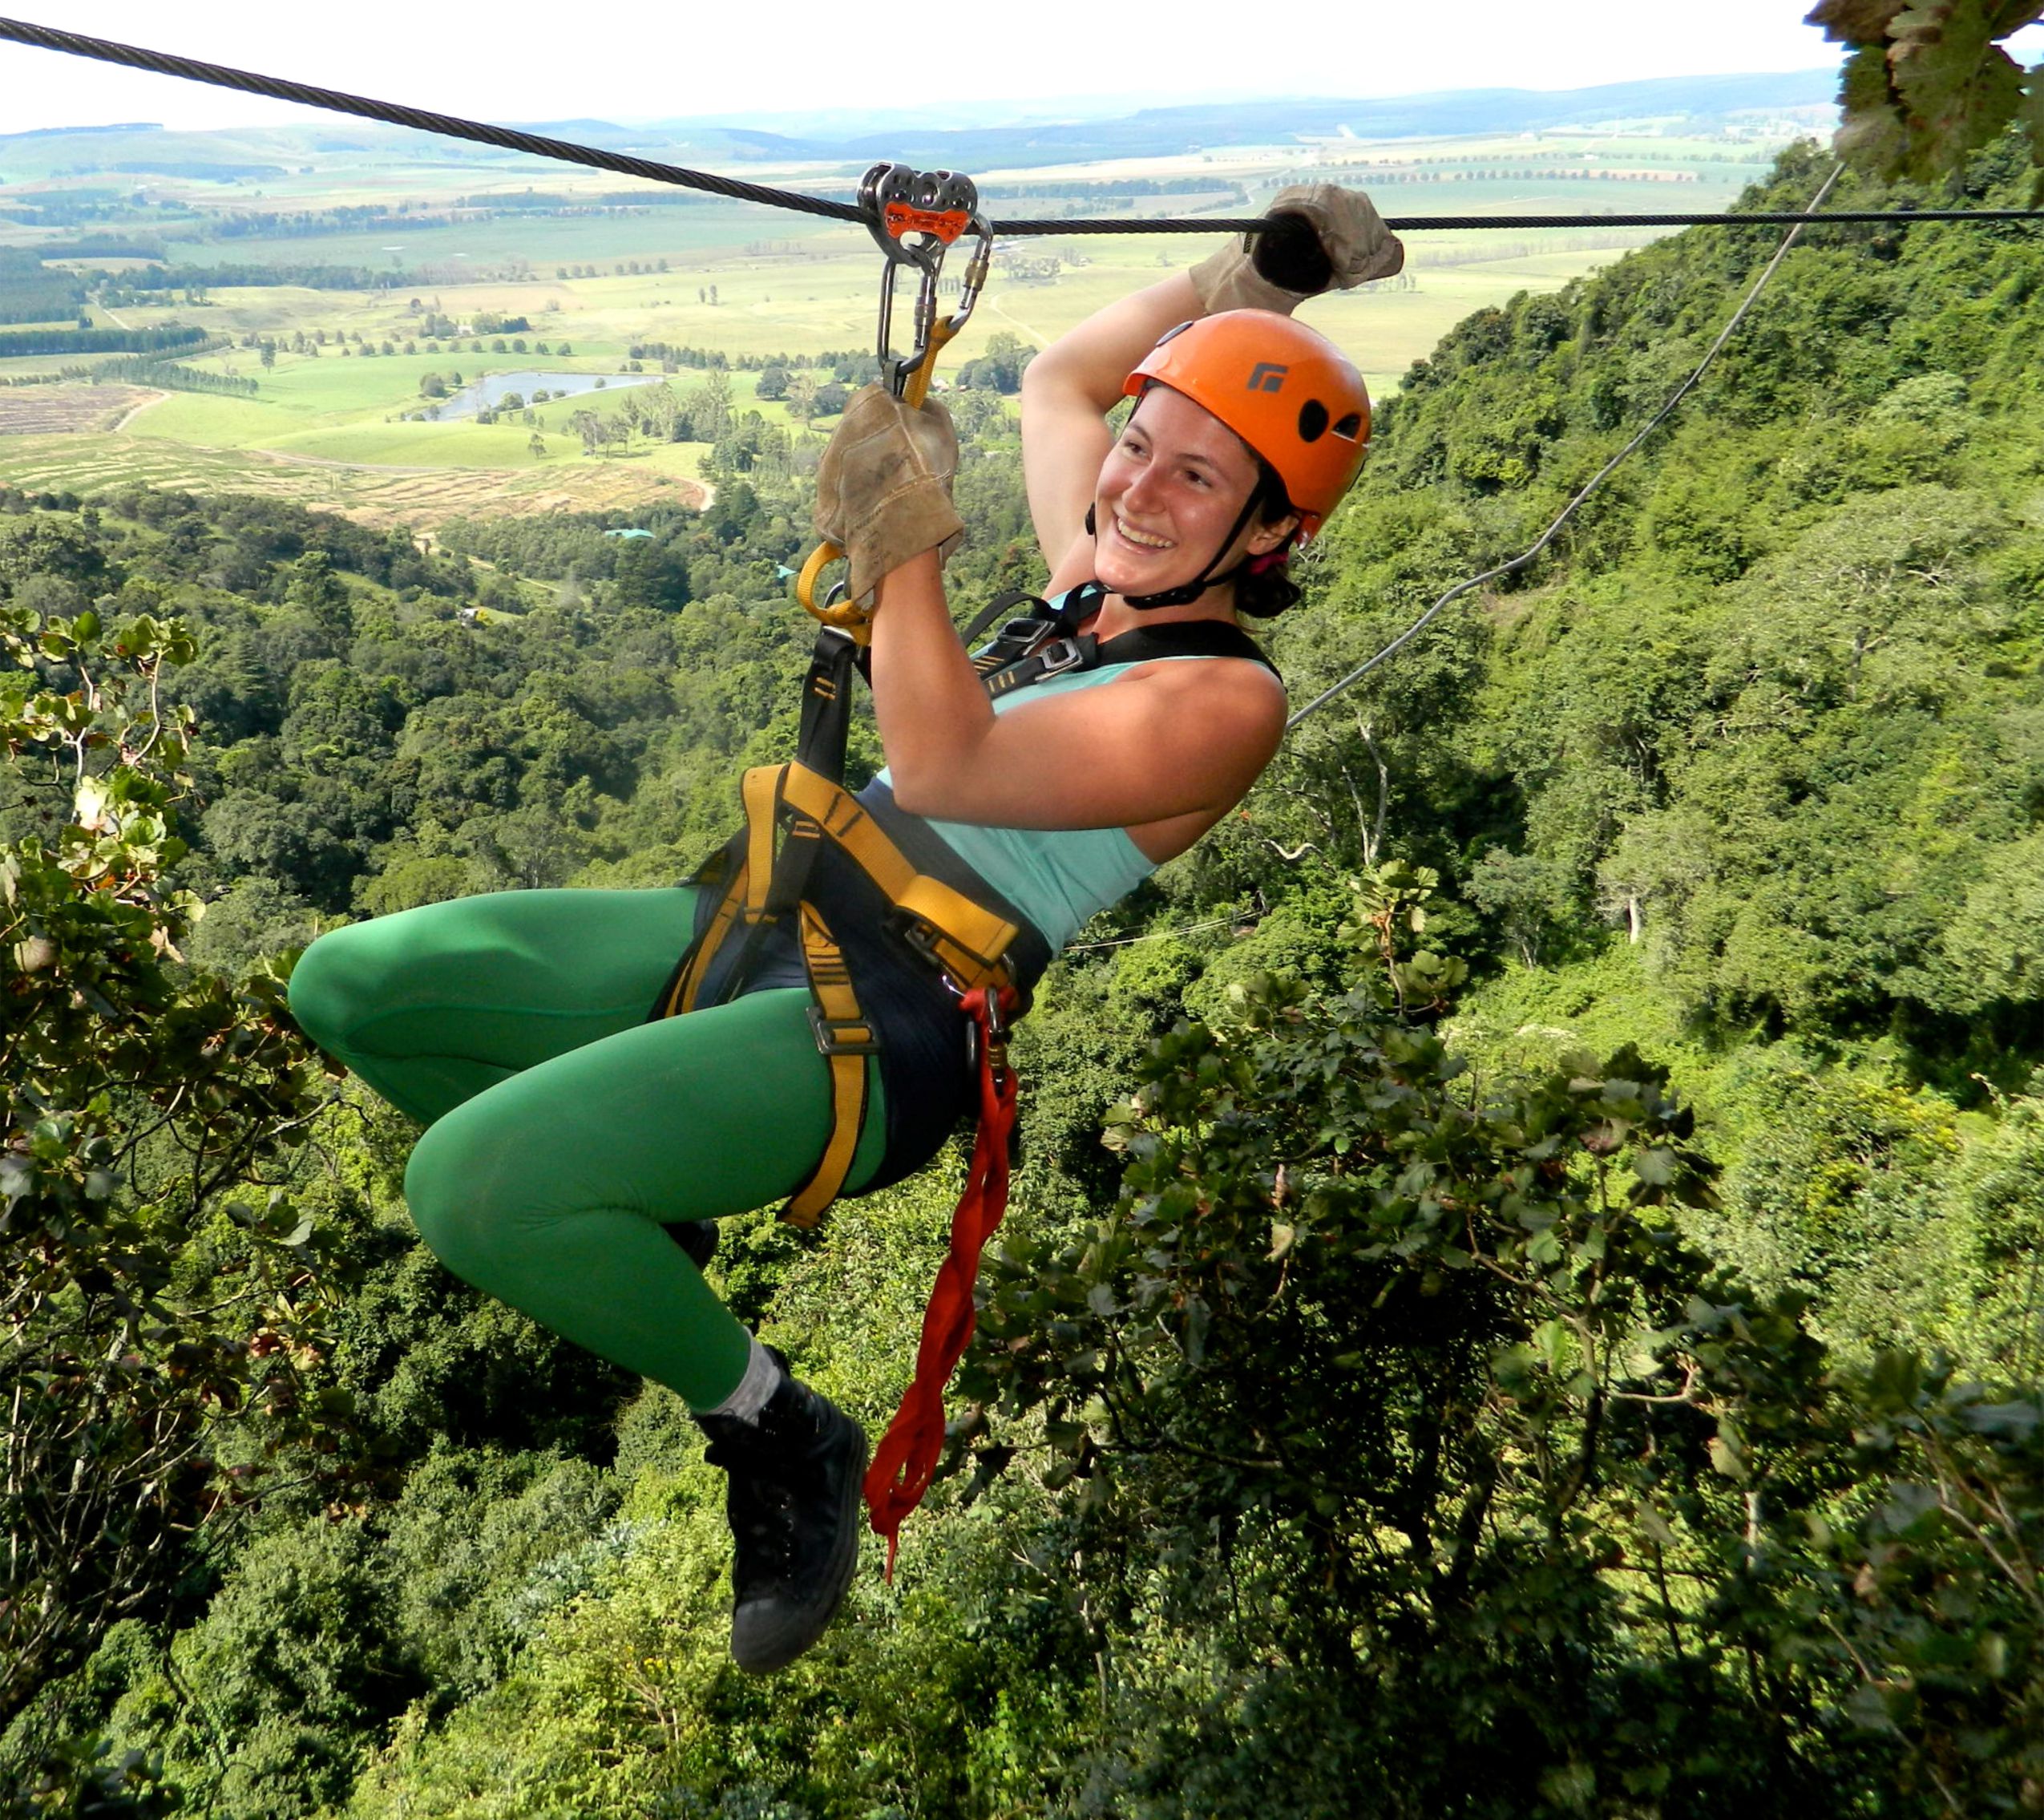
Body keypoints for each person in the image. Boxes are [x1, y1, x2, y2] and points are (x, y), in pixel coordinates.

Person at [287, 184, 1402, 1676]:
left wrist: (904, 537)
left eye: (1197, 481)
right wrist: (1252, 280)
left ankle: (775, 1429)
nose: (1135, 487)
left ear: (1267, 534)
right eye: (1143, 449)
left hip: (882, 1026)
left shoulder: (1222, 703)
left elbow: (946, 766)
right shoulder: (1090, 571)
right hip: (768, 908)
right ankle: (657, 1208)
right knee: (351, 986)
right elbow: (1066, 377)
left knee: (468, 1186)